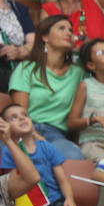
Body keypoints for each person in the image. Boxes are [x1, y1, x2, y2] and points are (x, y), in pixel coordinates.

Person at [8, 14, 84, 160]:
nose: (68, 32)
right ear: (45, 37)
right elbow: (18, 112)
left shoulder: (78, 73)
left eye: (70, 30)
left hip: (57, 134)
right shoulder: (26, 68)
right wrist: (33, 135)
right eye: (61, 28)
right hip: (25, 128)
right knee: (12, 154)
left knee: (74, 156)